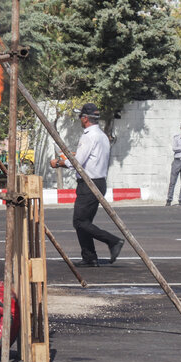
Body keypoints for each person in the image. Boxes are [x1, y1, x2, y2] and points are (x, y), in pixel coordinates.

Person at [50, 103, 124, 267]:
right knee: (84, 221)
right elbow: (89, 157)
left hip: (89, 183)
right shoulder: (102, 136)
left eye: (81, 117)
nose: (80, 119)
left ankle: (113, 241)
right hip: (98, 182)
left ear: (85, 118)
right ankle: (89, 256)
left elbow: (77, 162)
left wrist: (58, 163)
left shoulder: (88, 136)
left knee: (80, 222)